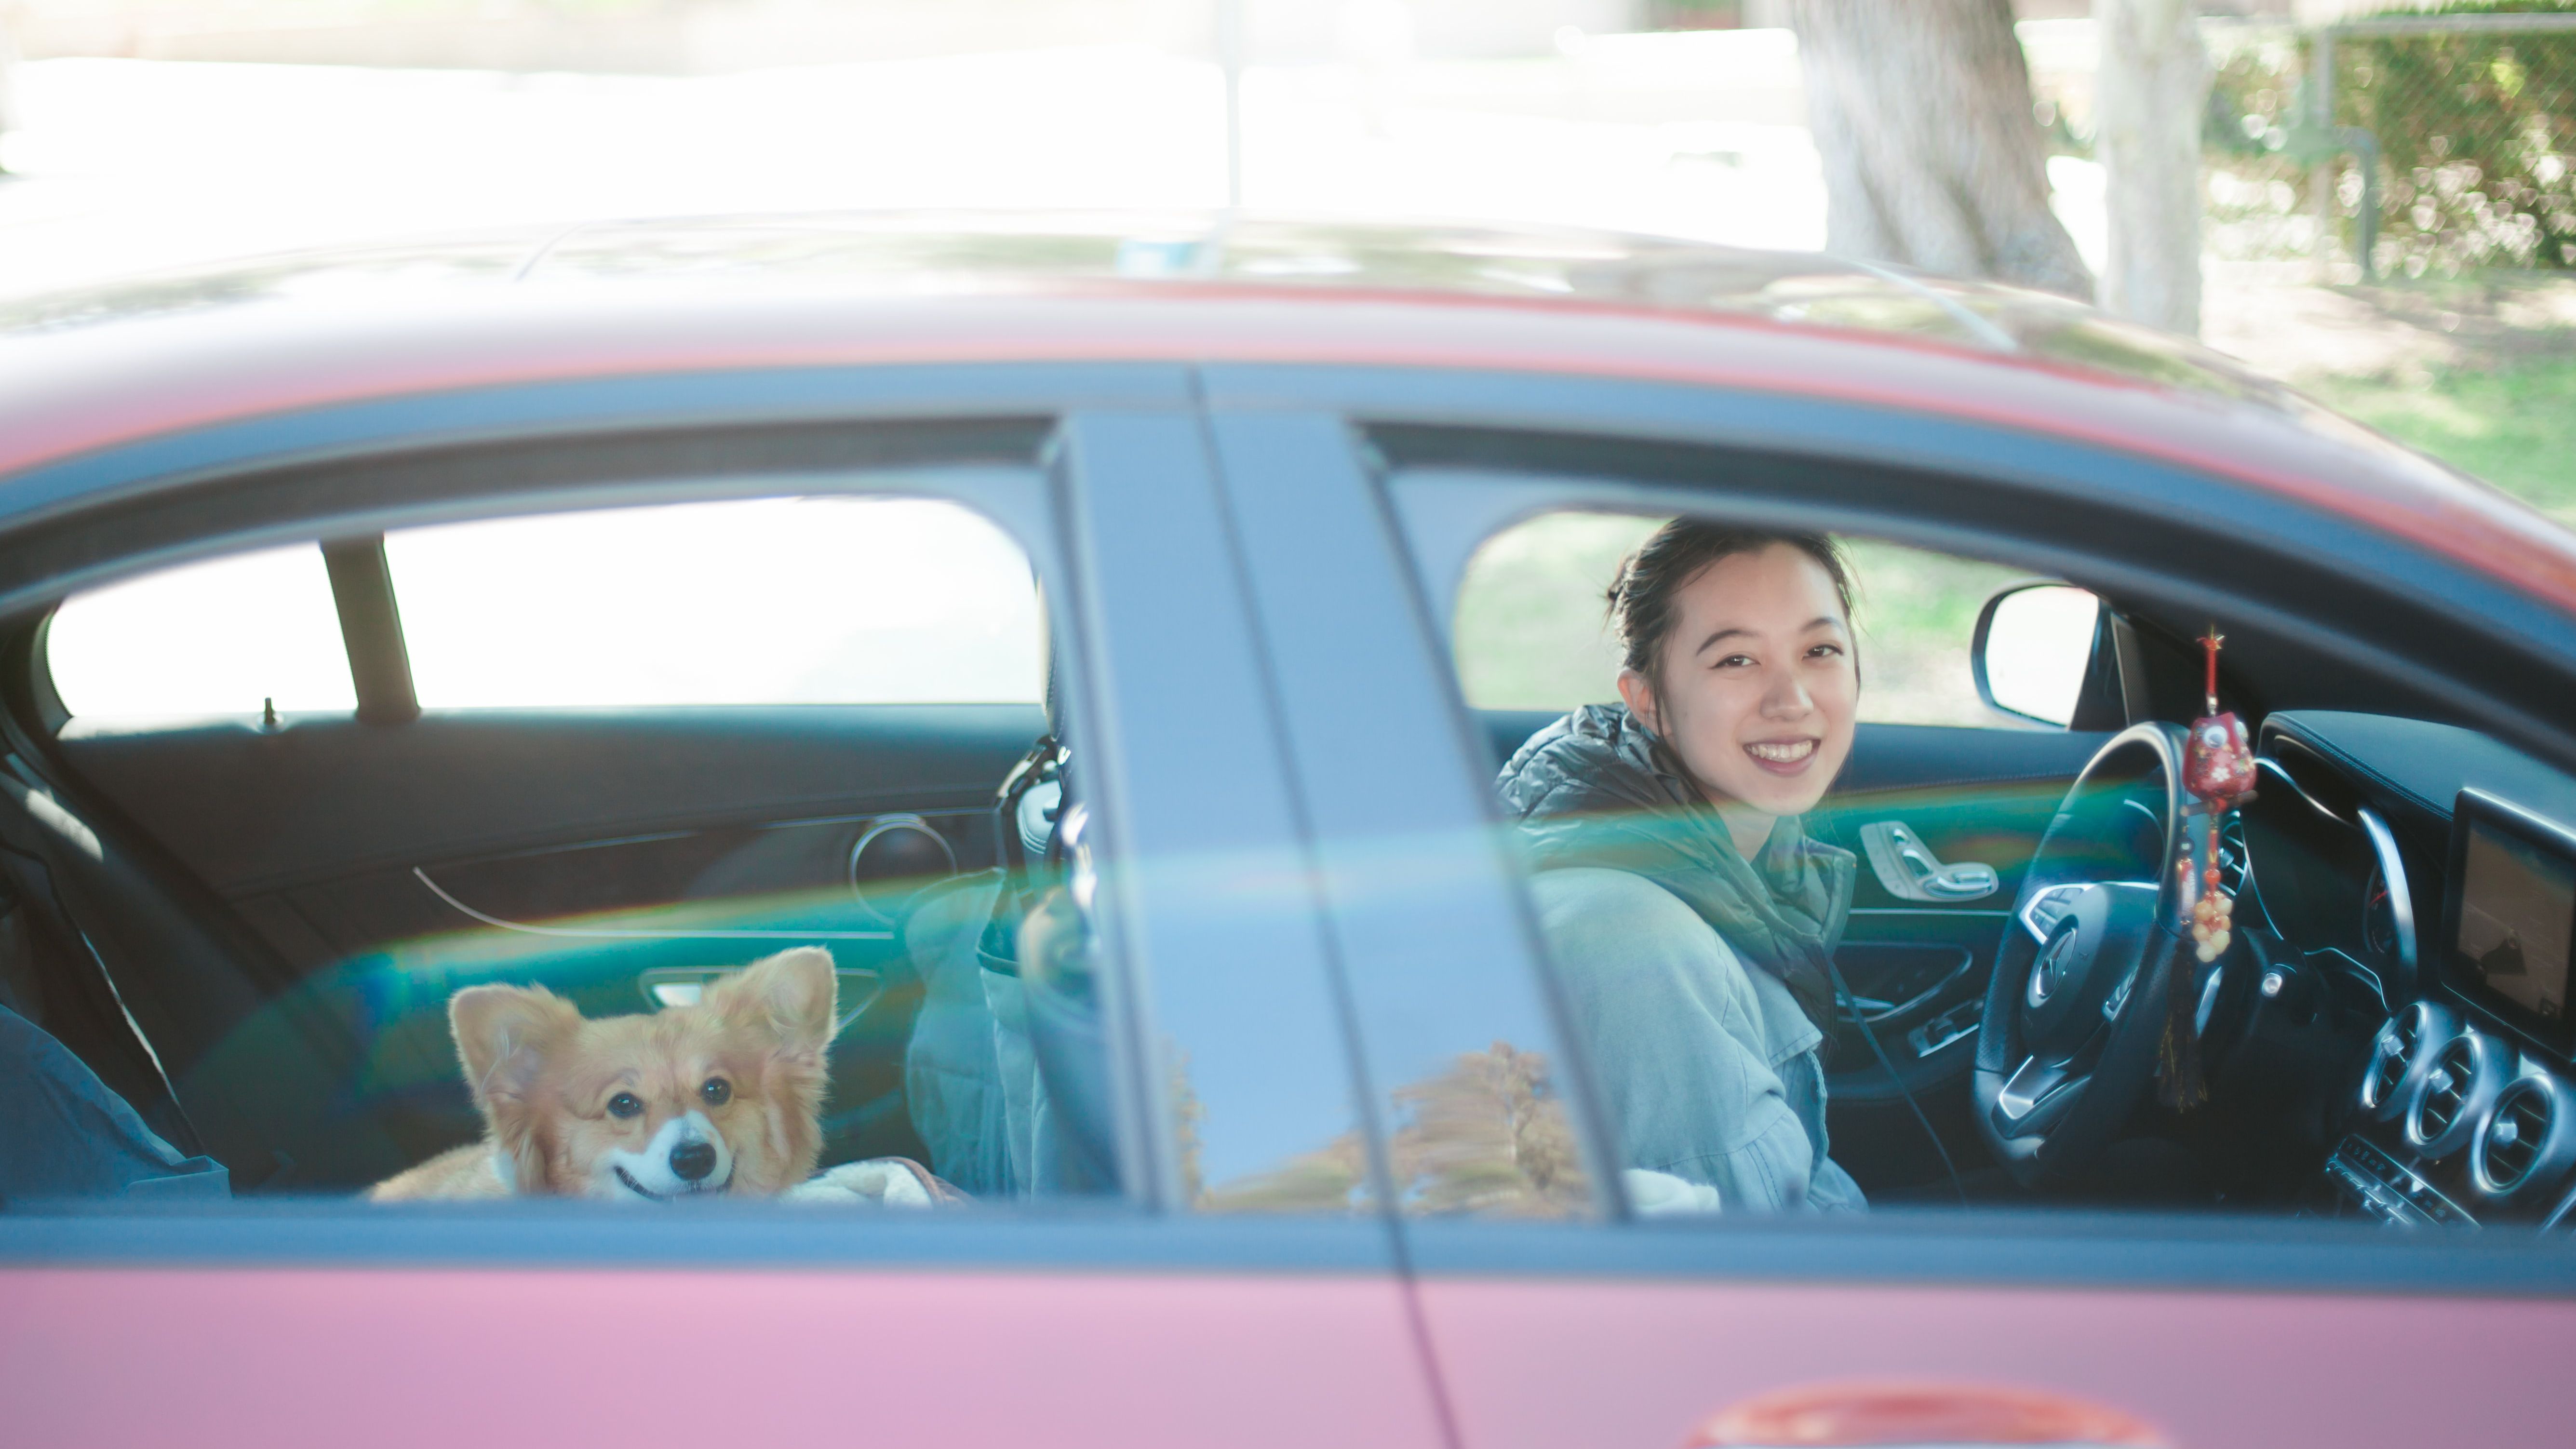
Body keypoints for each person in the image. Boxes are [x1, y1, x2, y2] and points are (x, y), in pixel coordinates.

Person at [1497, 520, 1865, 1213]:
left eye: (1819, 649)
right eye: (1736, 660)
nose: (1792, 700)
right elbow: (1741, 1267)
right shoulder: (1629, 939)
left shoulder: (1746, 855)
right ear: (1648, 701)